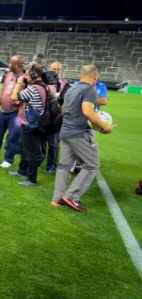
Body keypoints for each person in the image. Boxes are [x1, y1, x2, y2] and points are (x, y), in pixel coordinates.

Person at [51, 65, 115, 211]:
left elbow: (64, 109)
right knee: (92, 165)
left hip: (65, 131)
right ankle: (72, 196)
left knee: (64, 166)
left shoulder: (71, 88)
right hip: (78, 133)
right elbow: (88, 112)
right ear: (95, 77)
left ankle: (57, 199)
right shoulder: (89, 90)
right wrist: (105, 128)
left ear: (81, 74)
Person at [9, 63, 47, 186]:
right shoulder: (41, 86)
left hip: (31, 124)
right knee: (25, 149)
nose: (26, 76)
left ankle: (31, 178)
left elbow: (14, 96)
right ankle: (22, 170)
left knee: (31, 152)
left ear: (33, 74)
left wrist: (19, 83)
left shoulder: (34, 88)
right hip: (32, 122)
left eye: (27, 73)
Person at [0, 56, 24, 169]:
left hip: (15, 112)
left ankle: (9, 159)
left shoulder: (24, 79)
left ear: (18, 65)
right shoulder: (9, 75)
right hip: (3, 111)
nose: (9, 65)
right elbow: (3, 90)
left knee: (13, 137)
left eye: (11, 63)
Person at [41, 61, 67, 174]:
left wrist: (61, 118)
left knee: (53, 144)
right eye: (53, 69)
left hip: (56, 119)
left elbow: (65, 102)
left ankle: (51, 166)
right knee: (41, 142)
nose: (55, 71)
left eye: (58, 69)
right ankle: (40, 161)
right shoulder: (43, 82)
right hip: (43, 117)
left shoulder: (64, 84)